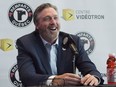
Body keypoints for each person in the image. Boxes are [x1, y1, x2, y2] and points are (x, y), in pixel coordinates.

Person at [16, 3, 104, 86]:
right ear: (37, 25)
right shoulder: (26, 43)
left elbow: (90, 69)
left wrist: (94, 77)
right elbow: (27, 77)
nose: (53, 22)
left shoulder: (73, 41)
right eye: (47, 18)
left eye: (55, 18)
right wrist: (54, 80)